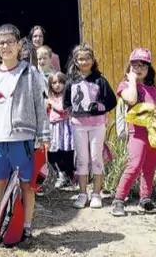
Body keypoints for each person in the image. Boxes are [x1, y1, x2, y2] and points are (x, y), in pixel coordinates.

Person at [0, 24, 50, 244]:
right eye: (1, 43)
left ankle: (26, 227)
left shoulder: (31, 72)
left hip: (24, 140)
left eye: (10, 42)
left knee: (27, 185)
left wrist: (44, 135)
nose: (6, 46)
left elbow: (40, 105)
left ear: (19, 45)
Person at [111, 48, 156, 216]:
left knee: (149, 167)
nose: (139, 69)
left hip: (153, 132)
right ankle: (119, 200)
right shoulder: (124, 86)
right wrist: (132, 80)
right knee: (134, 166)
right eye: (135, 65)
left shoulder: (152, 88)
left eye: (143, 65)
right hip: (136, 132)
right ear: (129, 67)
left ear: (149, 69)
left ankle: (145, 200)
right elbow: (132, 99)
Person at [63, 44, 117, 209]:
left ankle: (96, 194)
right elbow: (66, 102)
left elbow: (111, 101)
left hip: (97, 125)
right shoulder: (72, 81)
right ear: (76, 61)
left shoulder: (100, 80)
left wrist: (99, 107)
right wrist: (74, 111)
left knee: (95, 157)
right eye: (80, 58)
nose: (84, 61)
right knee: (82, 159)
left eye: (87, 58)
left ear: (93, 60)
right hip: (78, 125)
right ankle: (82, 193)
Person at [46, 72, 74, 189]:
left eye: (60, 82)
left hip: (65, 125)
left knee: (66, 151)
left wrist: (51, 103)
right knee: (54, 152)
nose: (57, 85)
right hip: (54, 127)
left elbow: (63, 109)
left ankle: (69, 175)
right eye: (54, 83)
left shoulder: (66, 96)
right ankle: (60, 174)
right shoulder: (50, 97)